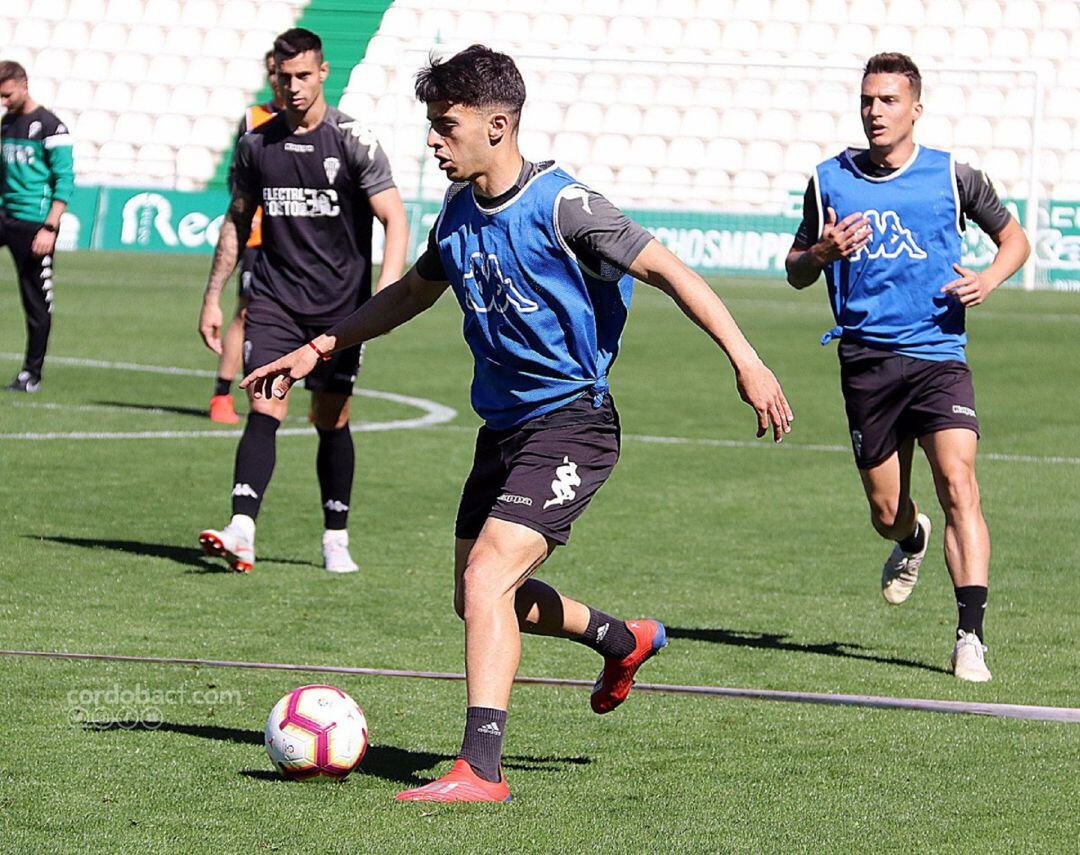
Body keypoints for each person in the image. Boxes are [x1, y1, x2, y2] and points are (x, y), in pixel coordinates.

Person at [242, 45, 792, 802]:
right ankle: (620, 638)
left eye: (445, 126)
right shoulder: (460, 210)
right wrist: (320, 345)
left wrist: (747, 360)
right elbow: (409, 293)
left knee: (487, 577)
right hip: (501, 430)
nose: (433, 141)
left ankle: (481, 768)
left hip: (574, 423)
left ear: (498, 125)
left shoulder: (566, 205)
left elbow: (671, 269)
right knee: (478, 597)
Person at [785, 53, 1030, 682]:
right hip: (865, 359)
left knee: (960, 485)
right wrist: (822, 249)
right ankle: (909, 538)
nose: (875, 111)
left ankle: (970, 637)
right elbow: (794, 270)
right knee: (885, 509)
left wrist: (989, 280)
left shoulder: (953, 176)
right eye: (868, 100)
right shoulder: (828, 179)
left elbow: (1016, 240)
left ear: (915, 108)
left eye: (888, 101)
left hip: (939, 354)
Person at [197, 28, 408, 574]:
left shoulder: (353, 140)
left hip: (341, 310)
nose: (292, 86)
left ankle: (335, 535)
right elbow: (237, 221)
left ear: (322, 74)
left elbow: (394, 217)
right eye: (283, 76)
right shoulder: (256, 145)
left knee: (329, 416)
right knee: (265, 400)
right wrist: (213, 296)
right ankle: (242, 527)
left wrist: (385, 292)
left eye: (303, 76)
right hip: (274, 300)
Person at [209, 49, 288, 425]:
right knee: (246, 309)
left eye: (283, 71)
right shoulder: (253, 119)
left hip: (299, 241)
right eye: (273, 72)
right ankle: (222, 393)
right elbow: (238, 178)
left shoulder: (318, 125)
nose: (279, 79)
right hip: (260, 236)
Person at [0, 60, 74, 393]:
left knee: (36, 300)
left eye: (7, 94)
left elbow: (65, 180)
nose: (4, 101)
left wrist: (50, 227)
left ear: (24, 85)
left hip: (34, 223)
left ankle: (32, 373)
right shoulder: (7, 123)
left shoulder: (50, 126)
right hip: (4, 214)